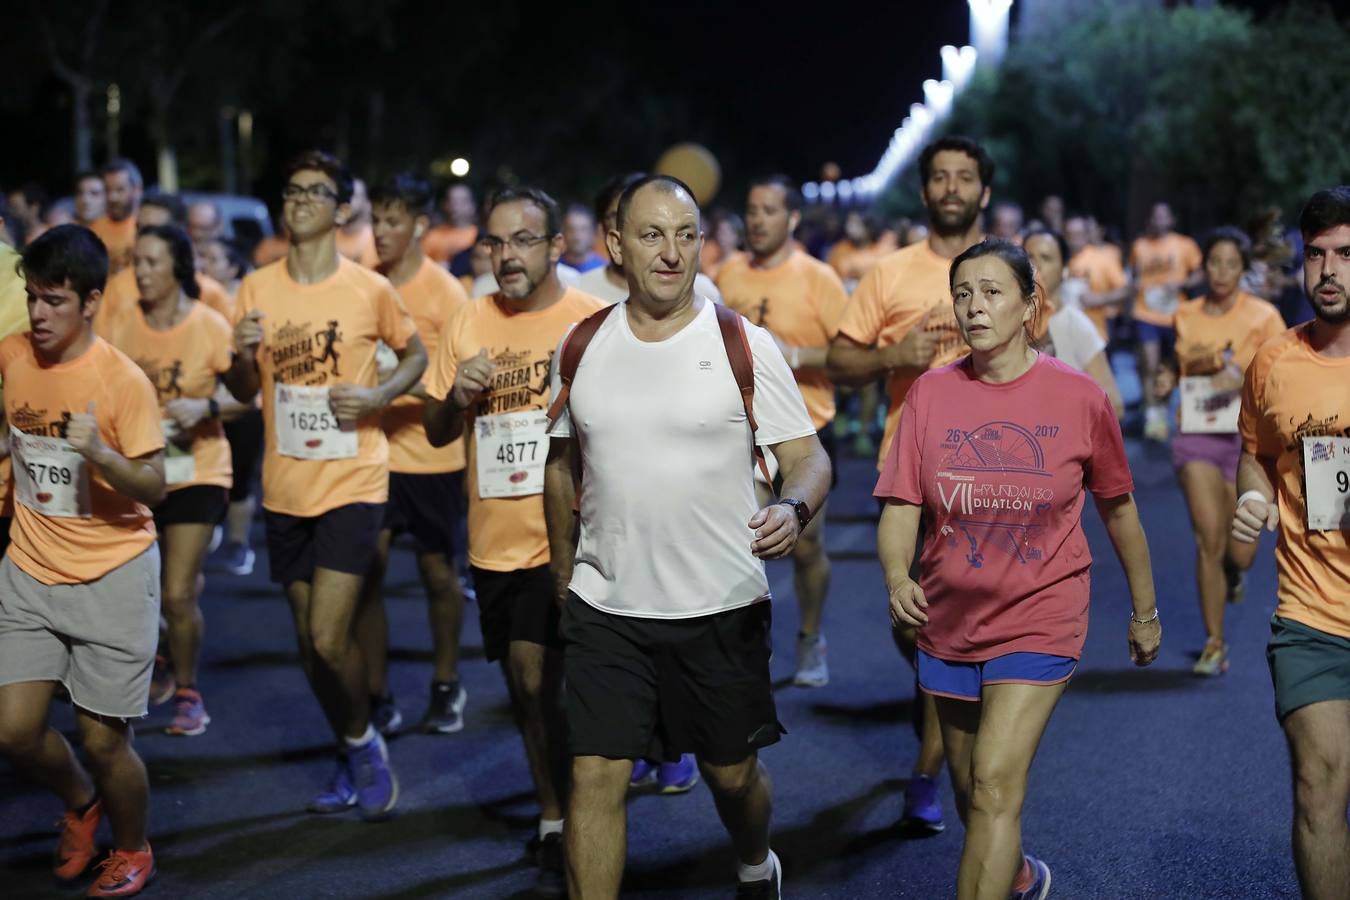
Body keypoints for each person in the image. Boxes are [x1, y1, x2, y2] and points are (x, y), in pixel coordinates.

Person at [544, 174, 830, 900]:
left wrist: (793, 510)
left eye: (685, 235)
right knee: (594, 774)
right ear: (615, 244)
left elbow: (808, 458)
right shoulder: (580, 346)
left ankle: (754, 860)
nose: (671, 253)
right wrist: (562, 580)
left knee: (730, 775)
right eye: (651, 235)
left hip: (720, 603)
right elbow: (559, 468)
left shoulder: (742, 343)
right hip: (608, 606)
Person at [877, 238, 1160, 900]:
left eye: (994, 291)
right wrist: (897, 576)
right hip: (948, 616)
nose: (976, 306)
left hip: (1042, 612)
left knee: (997, 783)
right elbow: (900, 506)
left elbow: (1120, 512)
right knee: (973, 783)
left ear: (1032, 305)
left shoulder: (1078, 397)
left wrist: (1144, 612)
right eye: (964, 293)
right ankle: (1020, 875)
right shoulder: (930, 395)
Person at [224, 150, 427, 819]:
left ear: (342, 211)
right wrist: (237, 354)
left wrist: (375, 394)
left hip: (354, 479)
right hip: (286, 485)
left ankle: (364, 741)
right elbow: (244, 389)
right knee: (310, 652)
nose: (298, 201)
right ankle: (350, 740)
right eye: (291, 190)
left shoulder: (368, 288)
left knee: (325, 639)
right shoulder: (255, 288)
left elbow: (416, 355)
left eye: (315, 193)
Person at [423, 186, 603, 893]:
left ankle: (593, 807)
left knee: (587, 689)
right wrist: (457, 396)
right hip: (501, 535)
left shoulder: (591, 321)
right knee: (530, 686)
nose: (506, 256)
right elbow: (439, 434)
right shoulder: (467, 320)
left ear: (557, 246)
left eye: (523, 240)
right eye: (496, 243)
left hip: (587, 535)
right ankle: (555, 813)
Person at [826, 135, 993, 834]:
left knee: (955, 634)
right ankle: (942, 720)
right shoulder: (891, 274)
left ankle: (930, 773)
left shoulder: (1005, 270)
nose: (952, 188)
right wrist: (893, 354)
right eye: (941, 178)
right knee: (919, 625)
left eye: (965, 178)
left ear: (983, 192)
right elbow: (839, 356)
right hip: (914, 474)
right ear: (925, 193)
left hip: (994, 478)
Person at [0, 225, 168, 897]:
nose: (38, 315)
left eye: (55, 301)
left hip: (113, 574)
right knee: (13, 731)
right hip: (30, 568)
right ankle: (79, 803)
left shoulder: (122, 382)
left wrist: (100, 453)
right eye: (32, 298)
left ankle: (133, 848)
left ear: (92, 301)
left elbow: (155, 486)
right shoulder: (12, 354)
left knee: (104, 744)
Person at [1231, 186, 1350, 900]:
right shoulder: (1275, 361)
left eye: (1345, 255)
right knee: (1317, 789)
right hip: (1312, 616)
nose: (1328, 270)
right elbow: (1254, 450)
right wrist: (1254, 492)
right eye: (1316, 256)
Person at [103, 225, 236, 736]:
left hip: (197, 467)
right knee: (139, 592)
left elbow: (248, 396)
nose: (141, 272)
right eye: (137, 262)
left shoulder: (208, 325)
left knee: (179, 592)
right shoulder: (122, 324)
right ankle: (156, 654)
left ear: (179, 267)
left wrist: (203, 406)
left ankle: (188, 691)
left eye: (153, 262)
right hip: (141, 469)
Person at [717, 174, 848, 687]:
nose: (757, 219)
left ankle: (811, 636)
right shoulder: (725, 275)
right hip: (737, 435)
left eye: (769, 209)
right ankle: (746, 645)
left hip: (803, 429)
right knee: (739, 546)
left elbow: (850, 353)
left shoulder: (819, 278)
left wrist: (790, 355)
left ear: (792, 218)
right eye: (751, 209)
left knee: (806, 546)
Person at [356, 174, 471, 735]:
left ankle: (447, 681)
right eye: (376, 220)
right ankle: (377, 693)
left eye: (393, 221)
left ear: (420, 226)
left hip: (430, 456)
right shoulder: (360, 283)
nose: (380, 232)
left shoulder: (445, 292)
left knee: (437, 574)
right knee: (366, 572)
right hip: (371, 455)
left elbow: (450, 380)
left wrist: (390, 385)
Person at [1151, 227, 1284, 676]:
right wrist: (1166, 377)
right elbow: (1175, 362)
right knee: (1208, 538)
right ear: (1203, 266)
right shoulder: (1186, 314)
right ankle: (1214, 642)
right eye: (1215, 262)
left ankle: (1235, 573)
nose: (1222, 272)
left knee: (1240, 548)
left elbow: (1285, 373)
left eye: (1232, 264)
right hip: (1198, 434)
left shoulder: (1264, 316)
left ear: (1244, 270)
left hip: (1247, 442)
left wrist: (1245, 380)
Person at [574, 173, 723, 305]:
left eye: (685, 235)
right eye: (618, 216)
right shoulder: (580, 291)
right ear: (606, 233)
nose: (671, 255)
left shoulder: (704, 295)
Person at [93, 195, 237, 330]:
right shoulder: (116, 290)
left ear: (179, 234)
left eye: (153, 230)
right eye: (139, 228)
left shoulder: (211, 294)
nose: (143, 237)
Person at [1022, 228, 1124, 417]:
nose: (1035, 265)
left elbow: (1114, 405)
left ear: (1065, 269)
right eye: (1029, 257)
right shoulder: (1011, 321)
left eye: (1046, 258)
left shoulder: (1077, 325)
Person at [1128, 202, 1204, 441]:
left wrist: (1182, 284)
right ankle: (1152, 415)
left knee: (1171, 366)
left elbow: (1201, 273)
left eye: (1164, 217)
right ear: (1150, 220)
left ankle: (1161, 407)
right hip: (1145, 313)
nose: (1159, 221)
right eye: (1155, 217)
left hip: (1175, 314)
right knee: (1149, 363)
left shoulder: (1185, 245)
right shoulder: (1139, 246)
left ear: (1171, 220)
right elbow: (1131, 276)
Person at [1065, 214, 1131, 341]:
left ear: (1086, 234)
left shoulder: (1102, 258)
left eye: (1078, 234)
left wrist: (1098, 299)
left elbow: (1125, 290)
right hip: (1064, 333)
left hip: (1095, 332)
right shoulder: (1060, 259)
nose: (1073, 239)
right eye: (1069, 234)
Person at [90, 160, 144, 276]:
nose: (112, 197)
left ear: (137, 190)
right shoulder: (94, 229)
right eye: (107, 190)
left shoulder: (147, 225)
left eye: (120, 190)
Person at [422, 182, 479, 265]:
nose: (456, 206)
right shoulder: (432, 236)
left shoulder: (480, 237)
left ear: (472, 205)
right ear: (445, 205)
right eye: (452, 201)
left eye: (462, 202)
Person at [336, 177, 379, 268]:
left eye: (354, 195)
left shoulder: (377, 237)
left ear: (366, 202)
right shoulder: (330, 234)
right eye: (345, 195)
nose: (349, 201)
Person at [560, 204, 606, 273]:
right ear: (563, 232)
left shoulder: (605, 271)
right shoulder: (552, 269)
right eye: (571, 229)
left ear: (593, 233)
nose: (577, 236)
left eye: (583, 229)